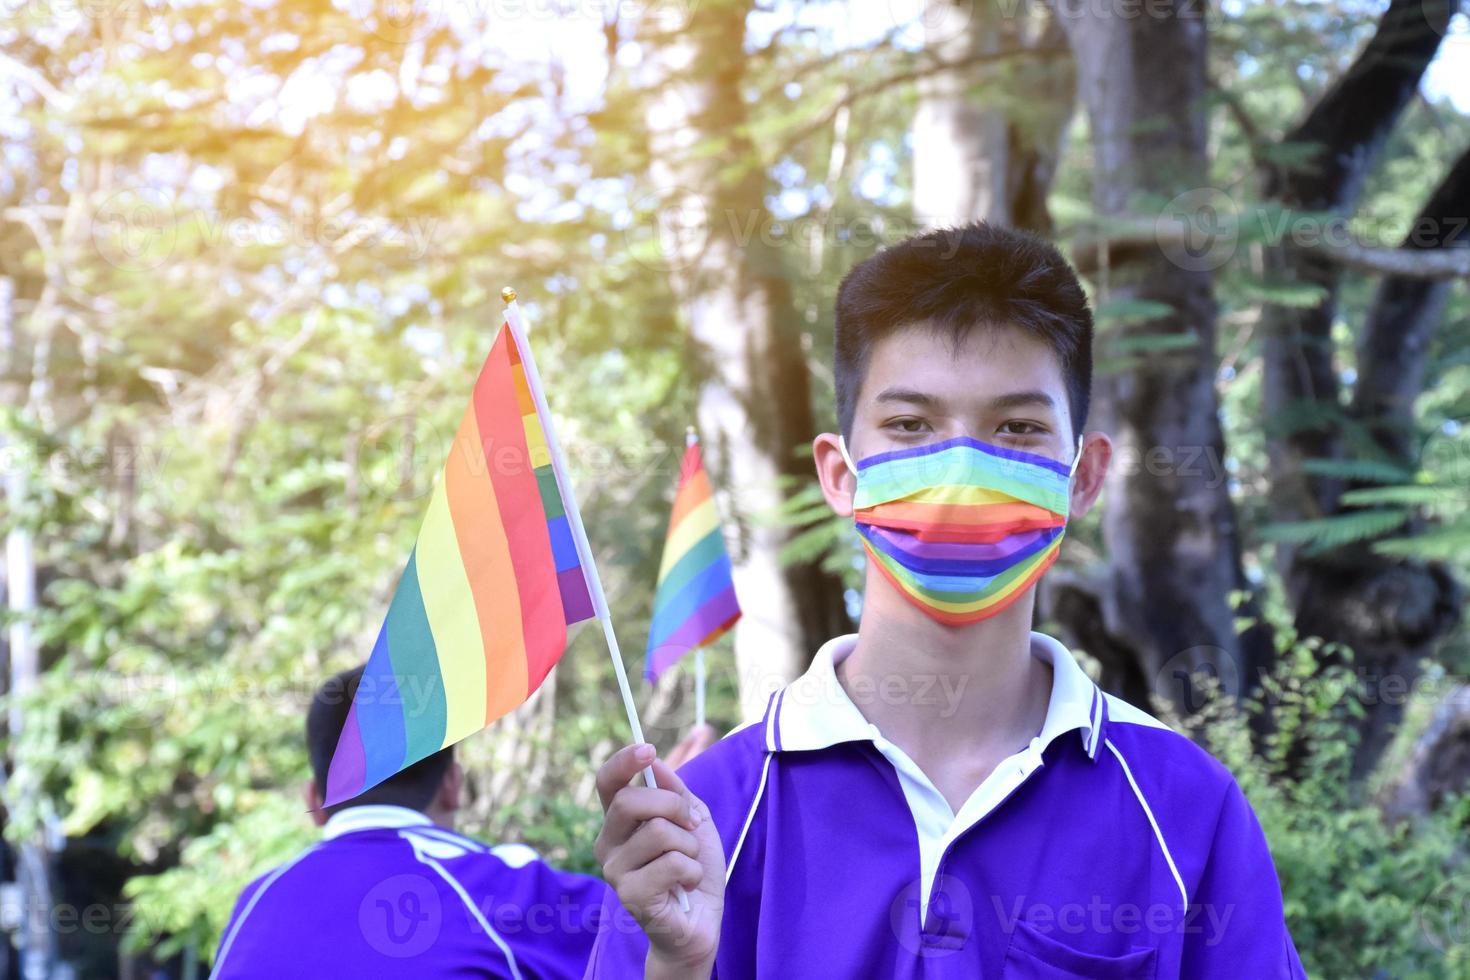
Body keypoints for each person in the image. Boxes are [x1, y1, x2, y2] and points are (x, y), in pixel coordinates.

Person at [585, 223, 1306, 978]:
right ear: (839, 474)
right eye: (910, 426)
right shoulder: (705, 814)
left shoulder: (1186, 808)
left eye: (1018, 429)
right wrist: (678, 963)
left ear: (1084, 477)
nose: (962, 468)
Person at [213, 665, 712, 978]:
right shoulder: (508, 887)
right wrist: (672, 805)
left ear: (315, 801)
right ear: (452, 785)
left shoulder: (254, 903)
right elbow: (663, 932)